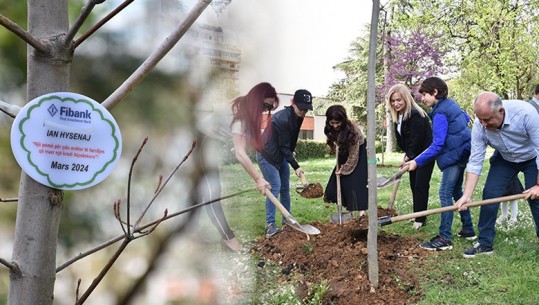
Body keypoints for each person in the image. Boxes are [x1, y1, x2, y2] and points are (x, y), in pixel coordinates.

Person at [455, 91, 539, 258]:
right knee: (490, 195)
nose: (484, 124)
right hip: (504, 159)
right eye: (480, 119)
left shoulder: (526, 114)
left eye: (487, 119)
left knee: (536, 199)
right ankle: (485, 243)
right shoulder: (480, 125)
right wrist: (467, 195)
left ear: (501, 111)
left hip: (531, 157)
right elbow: (475, 160)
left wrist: (538, 185)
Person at [196, 82, 278, 251]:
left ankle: (194, 235)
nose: (264, 111)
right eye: (264, 106)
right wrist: (258, 179)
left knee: (200, 193)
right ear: (256, 100)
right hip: (196, 147)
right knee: (212, 195)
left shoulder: (240, 104)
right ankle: (228, 239)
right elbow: (240, 153)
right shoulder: (241, 115)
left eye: (268, 108)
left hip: (203, 145)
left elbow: (236, 141)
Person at [405, 77, 476, 251]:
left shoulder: (440, 113)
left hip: (454, 156)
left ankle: (444, 238)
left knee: (444, 193)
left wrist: (417, 161)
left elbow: (437, 144)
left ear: (435, 92)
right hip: (463, 152)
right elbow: (465, 119)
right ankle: (468, 229)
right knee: (456, 191)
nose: (422, 99)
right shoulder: (451, 104)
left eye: (425, 95)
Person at [257, 89, 313, 237]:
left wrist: (290, 153)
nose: (303, 112)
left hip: (280, 154)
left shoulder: (298, 116)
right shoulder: (282, 119)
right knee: (274, 187)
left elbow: (290, 141)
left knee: (285, 189)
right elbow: (284, 146)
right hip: (267, 155)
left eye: (306, 109)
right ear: (293, 103)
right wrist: (296, 166)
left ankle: (287, 221)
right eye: (301, 108)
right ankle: (270, 225)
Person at [386, 84, 435, 229]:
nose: (396, 104)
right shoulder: (399, 116)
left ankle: (420, 220)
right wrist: (407, 156)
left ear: (406, 98)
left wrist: (408, 156)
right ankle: (417, 215)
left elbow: (417, 139)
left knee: (420, 185)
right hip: (413, 156)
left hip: (425, 155)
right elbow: (404, 140)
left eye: (399, 100)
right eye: (393, 101)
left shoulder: (415, 114)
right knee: (414, 185)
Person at [322, 105, 368, 217]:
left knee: (356, 182)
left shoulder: (353, 131)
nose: (335, 125)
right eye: (332, 123)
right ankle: (349, 212)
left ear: (343, 120)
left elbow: (353, 156)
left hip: (359, 153)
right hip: (343, 151)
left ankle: (362, 213)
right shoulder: (330, 127)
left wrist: (344, 169)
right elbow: (333, 144)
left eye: (338, 122)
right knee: (340, 183)